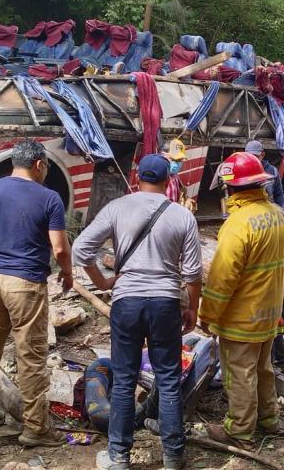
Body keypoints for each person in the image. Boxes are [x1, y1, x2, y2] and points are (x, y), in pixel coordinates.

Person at [72, 153, 202, 470]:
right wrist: (192, 309)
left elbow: (80, 250)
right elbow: (194, 274)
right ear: (168, 181)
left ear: (137, 178)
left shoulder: (117, 207)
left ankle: (119, 458)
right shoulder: (182, 216)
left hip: (127, 302)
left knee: (125, 378)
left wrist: (103, 281)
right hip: (165, 303)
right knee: (169, 380)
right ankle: (173, 457)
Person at [199, 152, 284, 449]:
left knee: (240, 374)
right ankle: (269, 419)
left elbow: (221, 279)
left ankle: (239, 430)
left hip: (241, 318)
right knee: (264, 369)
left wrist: (208, 314)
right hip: (269, 314)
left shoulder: (238, 224)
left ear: (230, 188)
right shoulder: (281, 216)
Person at [0, 139, 73, 447]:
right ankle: (35, 428)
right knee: (31, 357)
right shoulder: (49, 198)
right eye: (46, 165)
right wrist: (69, 273)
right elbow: (59, 247)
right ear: (38, 165)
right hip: (25, 284)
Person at [245, 140, 284, 372]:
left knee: (270, 316)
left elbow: (281, 199)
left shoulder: (272, 173)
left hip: (268, 279)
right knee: (272, 315)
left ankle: (276, 361)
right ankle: (276, 361)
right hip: (272, 277)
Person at [245, 140, 284, 209]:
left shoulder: (272, 171)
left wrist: (282, 209)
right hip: (248, 211)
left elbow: (278, 193)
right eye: (250, 157)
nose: (253, 160)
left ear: (263, 154)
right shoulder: (242, 170)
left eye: (256, 156)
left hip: (268, 209)